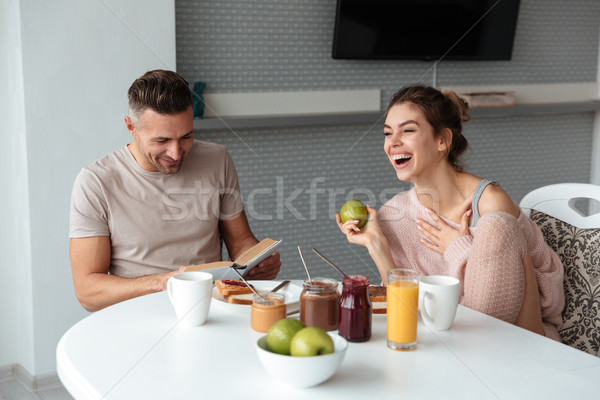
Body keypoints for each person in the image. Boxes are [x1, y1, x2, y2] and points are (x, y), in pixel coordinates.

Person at [337, 84, 564, 340]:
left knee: (497, 226)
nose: (393, 142)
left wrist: (460, 248)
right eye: (388, 133)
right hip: (446, 345)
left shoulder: (490, 203)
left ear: (442, 140)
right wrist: (377, 245)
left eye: (408, 130)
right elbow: (410, 311)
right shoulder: (394, 215)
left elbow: (546, 300)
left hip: (522, 341)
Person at [70, 70, 280, 312]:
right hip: (136, 316)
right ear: (131, 127)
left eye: (186, 136)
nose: (176, 153)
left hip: (212, 310)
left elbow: (240, 240)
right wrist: (165, 282)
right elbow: (87, 292)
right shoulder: (95, 182)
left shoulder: (217, 158)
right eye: (162, 141)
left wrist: (256, 262)